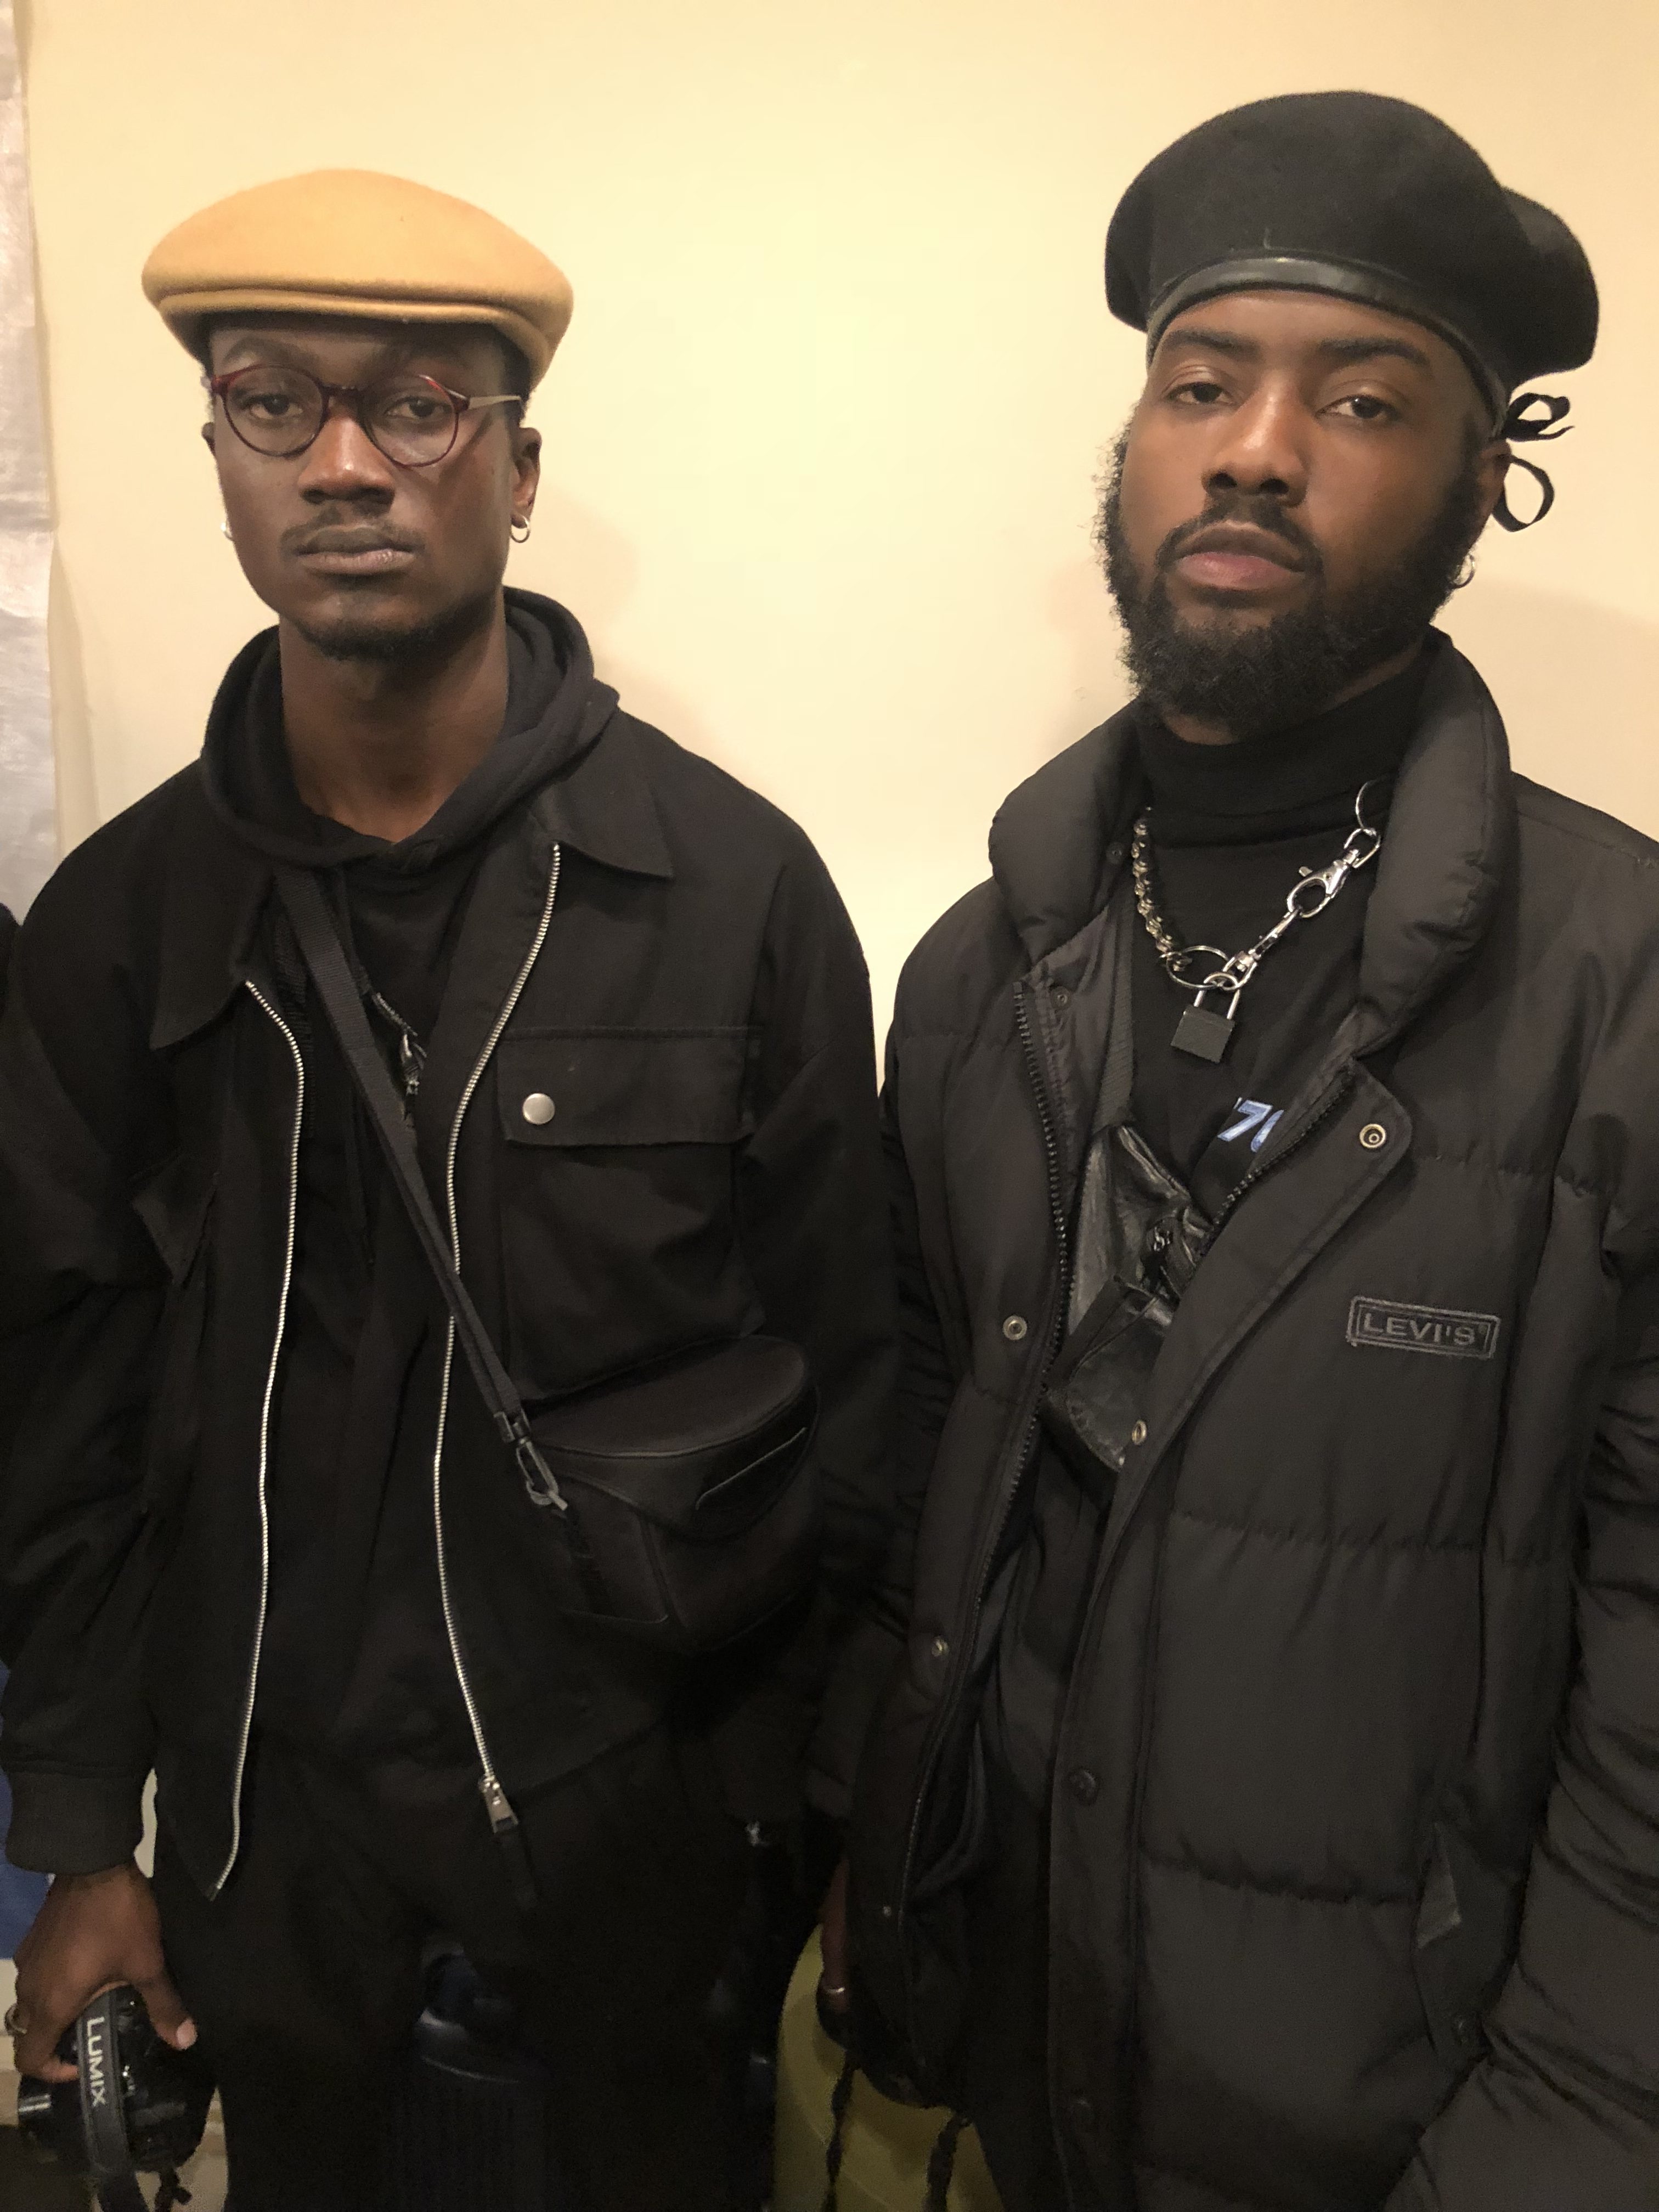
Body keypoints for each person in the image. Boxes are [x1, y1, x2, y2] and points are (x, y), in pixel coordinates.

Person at [0, 169, 894, 2211]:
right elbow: (61, 1410)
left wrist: (809, 1818)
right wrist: (84, 1840)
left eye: (415, 405)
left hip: (642, 1859)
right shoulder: (122, 926)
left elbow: (849, 1394)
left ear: (521, 469)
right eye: (272, 400)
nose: (342, 463)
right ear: (218, 455)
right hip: (266, 1858)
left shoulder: (732, 892)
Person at [826, 92, 1659, 2211]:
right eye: (1201, 384)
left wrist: (1559, 2146)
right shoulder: (979, 971)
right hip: (1011, 2058)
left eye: (1361, 400)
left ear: (1483, 481)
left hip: (1398, 2128)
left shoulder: (1621, 988)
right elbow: (927, 1482)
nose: (1257, 447)